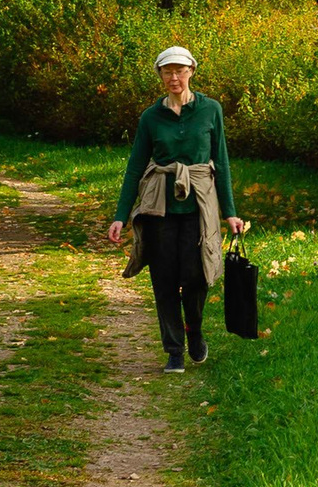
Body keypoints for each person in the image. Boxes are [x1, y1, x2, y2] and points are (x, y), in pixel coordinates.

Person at [105, 46, 248, 373]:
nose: (174, 77)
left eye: (180, 70)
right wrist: (120, 215)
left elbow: (222, 162)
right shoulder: (150, 117)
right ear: (160, 75)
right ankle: (174, 351)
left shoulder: (211, 110)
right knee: (164, 278)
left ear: (191, 72)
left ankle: (194, 331)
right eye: (167, 71)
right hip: (159, 207)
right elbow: (134, 167)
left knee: (197, 275)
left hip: (199, 205)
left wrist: (230, 213)